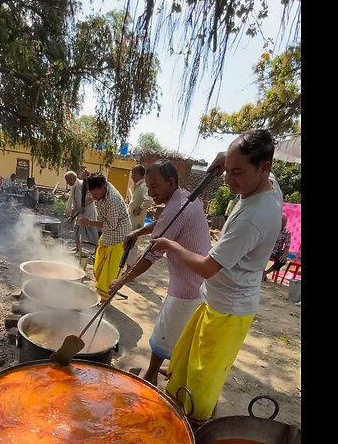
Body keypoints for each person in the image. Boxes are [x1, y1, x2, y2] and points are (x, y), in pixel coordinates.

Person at [150, 129, 284, 426]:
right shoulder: (269, 186)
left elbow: (208, 267)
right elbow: (242, 166)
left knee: (202, 381)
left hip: (229, 310)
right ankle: (178, 411)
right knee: (183, 363)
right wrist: (227, 158)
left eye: (238, 172)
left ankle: (196, 431)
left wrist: (171, 245)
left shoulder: (253, 217)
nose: (228, 178)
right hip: (216, 301)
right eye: (229, 169)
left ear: (264, 168)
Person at [112, 161, 212, 387]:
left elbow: (149, 256)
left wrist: (121, 281)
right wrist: (139, 231)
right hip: (198, 281)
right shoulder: (185, 198)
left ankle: (151, 376)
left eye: (154, 186)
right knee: (182, 334)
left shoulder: (176, 209)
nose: (150, 192)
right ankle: (173, 368)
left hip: (187, 286)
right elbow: (162, 222)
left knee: (162, 334)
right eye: (147, 186)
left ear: (171, 182)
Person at [75, 174, 132, 299]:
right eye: (92, 194)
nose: (94, 197)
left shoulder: (113, 200)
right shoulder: (99, 188)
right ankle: (101, 294)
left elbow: (111, 225)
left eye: (96, 195)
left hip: (119, 237)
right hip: (107, 235)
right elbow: (90, 194)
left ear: (104, 187)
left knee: (108, 274)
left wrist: (89, 223)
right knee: (99, 267)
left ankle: (104, 300)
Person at [66, 170, 99, 253]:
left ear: (71, 179)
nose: (66, 182)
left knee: (92, 232)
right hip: (80, 213)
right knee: (77, 230)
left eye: (67, 180)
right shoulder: (73, 188)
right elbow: (74, 204)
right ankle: (78, 248)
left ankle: (97, 250)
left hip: (88, 212)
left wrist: (84, 205)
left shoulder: (82, 184)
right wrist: (71, 216)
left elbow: (92, 197)